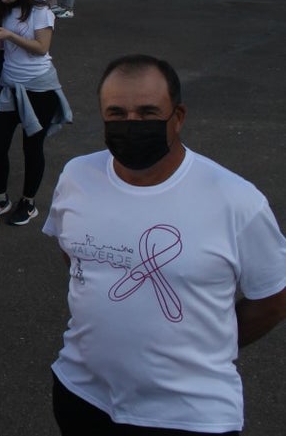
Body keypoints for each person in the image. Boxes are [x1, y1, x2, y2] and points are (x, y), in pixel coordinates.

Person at [44, 54, 286, 435]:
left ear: (178, 116)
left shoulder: (236, 200)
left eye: (147, 112)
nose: (131, 124)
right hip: (82, 394)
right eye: (117, 113)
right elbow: (75, 256)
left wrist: (211, 347)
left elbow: (272, 299)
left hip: (189, 414)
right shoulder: (77, 176)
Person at [0, 0, 72, 226]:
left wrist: (8, 35)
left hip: (38, 86)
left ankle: (28, 203)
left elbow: (41, 47)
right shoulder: (3, 7)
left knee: (32, 147)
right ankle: (0, 198)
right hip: (9, 85)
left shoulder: (40, 10)